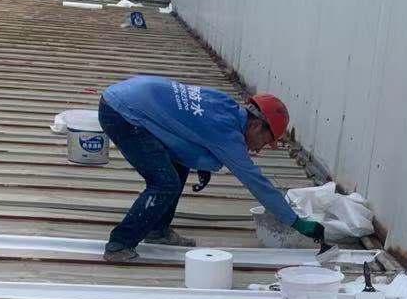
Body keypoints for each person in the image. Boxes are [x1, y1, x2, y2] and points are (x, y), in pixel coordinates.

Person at [97, 76, 325, 262]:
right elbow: (257, 183)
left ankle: (157, 230)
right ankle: (120, 244)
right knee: (165, 183)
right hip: (122, 114)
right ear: (256, 125)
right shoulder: (228, 135)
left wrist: (200, 162)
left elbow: (189, 124)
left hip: (131, 96)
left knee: (178, 168)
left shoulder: (225, 105)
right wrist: (295, 221)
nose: (259, 149)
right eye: (265, 141)